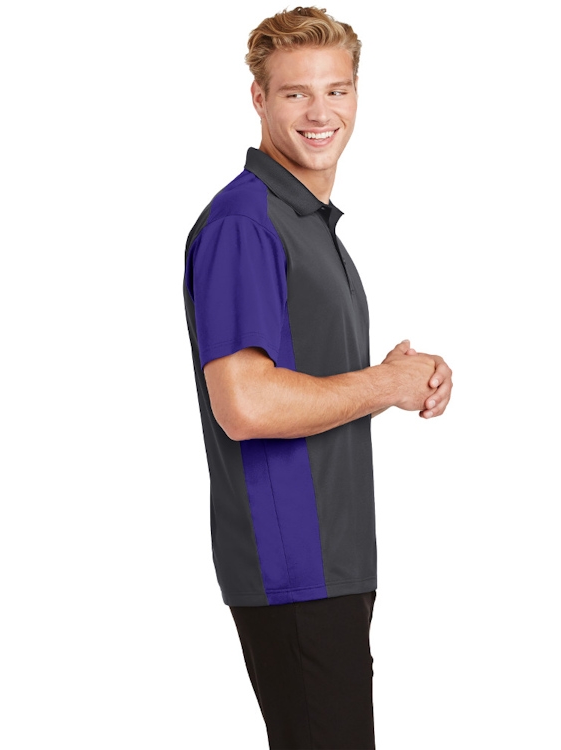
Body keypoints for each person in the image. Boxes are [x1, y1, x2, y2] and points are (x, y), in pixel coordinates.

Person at [183, 7, 453, 748]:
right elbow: (244, 402)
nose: (320, 112)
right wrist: (385, 386)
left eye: (337, 90)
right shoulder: (246, 222)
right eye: (296, 92)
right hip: (293, 566)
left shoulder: (305, 221)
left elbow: (307, 383)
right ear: (259, 98)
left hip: (332, 561)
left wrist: (395, 377)